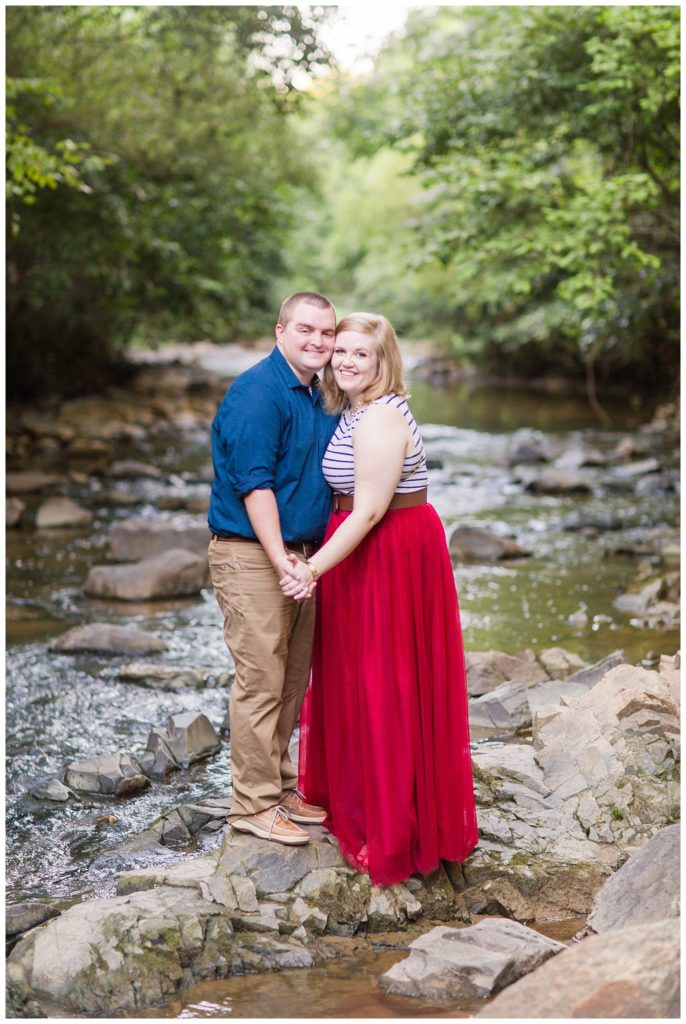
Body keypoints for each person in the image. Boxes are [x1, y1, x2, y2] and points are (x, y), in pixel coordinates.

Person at [280, 312, 478, 885]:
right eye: (340, 350)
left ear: (383, 361)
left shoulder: (381, 419)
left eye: (359, 354)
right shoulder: (355, 409)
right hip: (361, 549)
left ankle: (394, 830)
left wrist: (312, 567)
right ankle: (361, 804)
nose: (344, 360)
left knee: (386, 681)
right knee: (357, 678)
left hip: (386, 550)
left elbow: (368, 509)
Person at [208, 291, 339, 846]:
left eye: (327, 333)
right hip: (253, 554)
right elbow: (254, 484)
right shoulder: (258, 393)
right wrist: (280, 557)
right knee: (260, 681)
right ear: (280, 330)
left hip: (300, 556)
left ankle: (281, 785)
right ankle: (252, 805)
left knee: (290, 679)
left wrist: (302, 560)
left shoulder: (315, 394)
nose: (318, 341)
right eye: (306, 329)